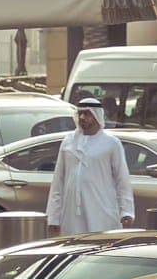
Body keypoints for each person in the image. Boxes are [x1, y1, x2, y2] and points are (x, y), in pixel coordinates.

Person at [46, 98, 135, 236]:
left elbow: (122, 180)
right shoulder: (68, 142)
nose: (82, 117)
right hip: (71, 215)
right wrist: (53, 217)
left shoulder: (111, 143)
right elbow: (58, 181)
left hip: (101, 211)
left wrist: (126, 211)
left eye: (87, 113)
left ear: (97, 115)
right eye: (80, 113)